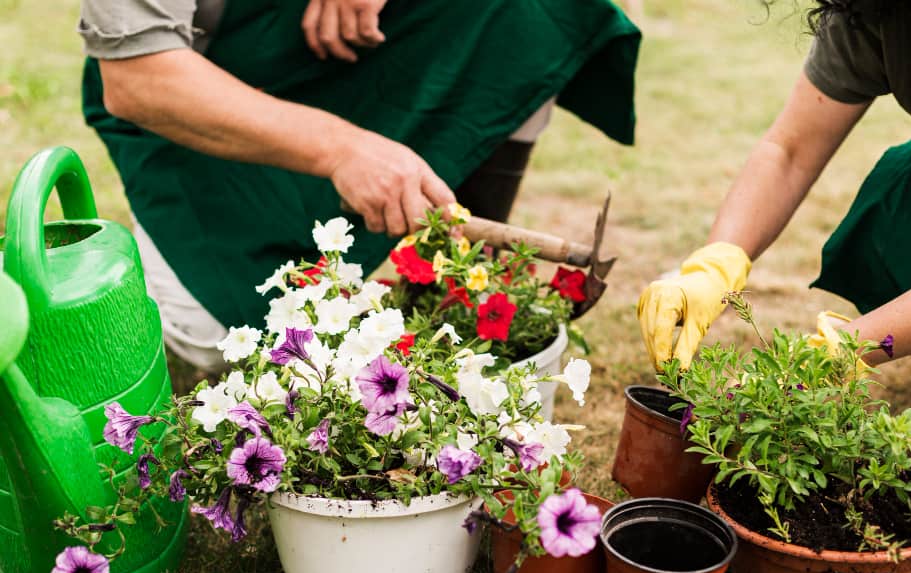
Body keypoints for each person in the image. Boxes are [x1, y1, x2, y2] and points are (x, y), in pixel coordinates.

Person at [78, 0, 641, 371]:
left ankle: (465, 287)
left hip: (342, 40)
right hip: (203, 93)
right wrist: (343, 149)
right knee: (222, 334)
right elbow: (139, 78)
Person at [637, 0, 911, 404]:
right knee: (908, 199)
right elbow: (789, 150)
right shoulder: (881, 11)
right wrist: (715, 266)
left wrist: (844, 349)